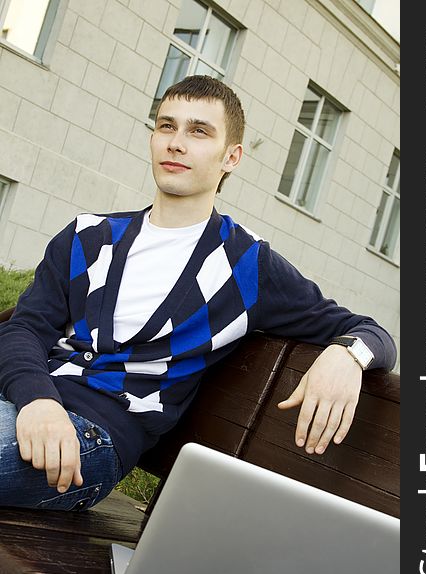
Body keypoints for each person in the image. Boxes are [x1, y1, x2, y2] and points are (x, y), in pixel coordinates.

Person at [0, 76, 396, 511]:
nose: (176, 143)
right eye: (166, 126)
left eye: (199, 131)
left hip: (88, 438)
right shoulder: (88, 236)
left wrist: (347, 357)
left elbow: (368, 331)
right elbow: (26, 328)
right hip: (26, 405)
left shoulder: (246, 266)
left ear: (232, 157)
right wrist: (38, 399)